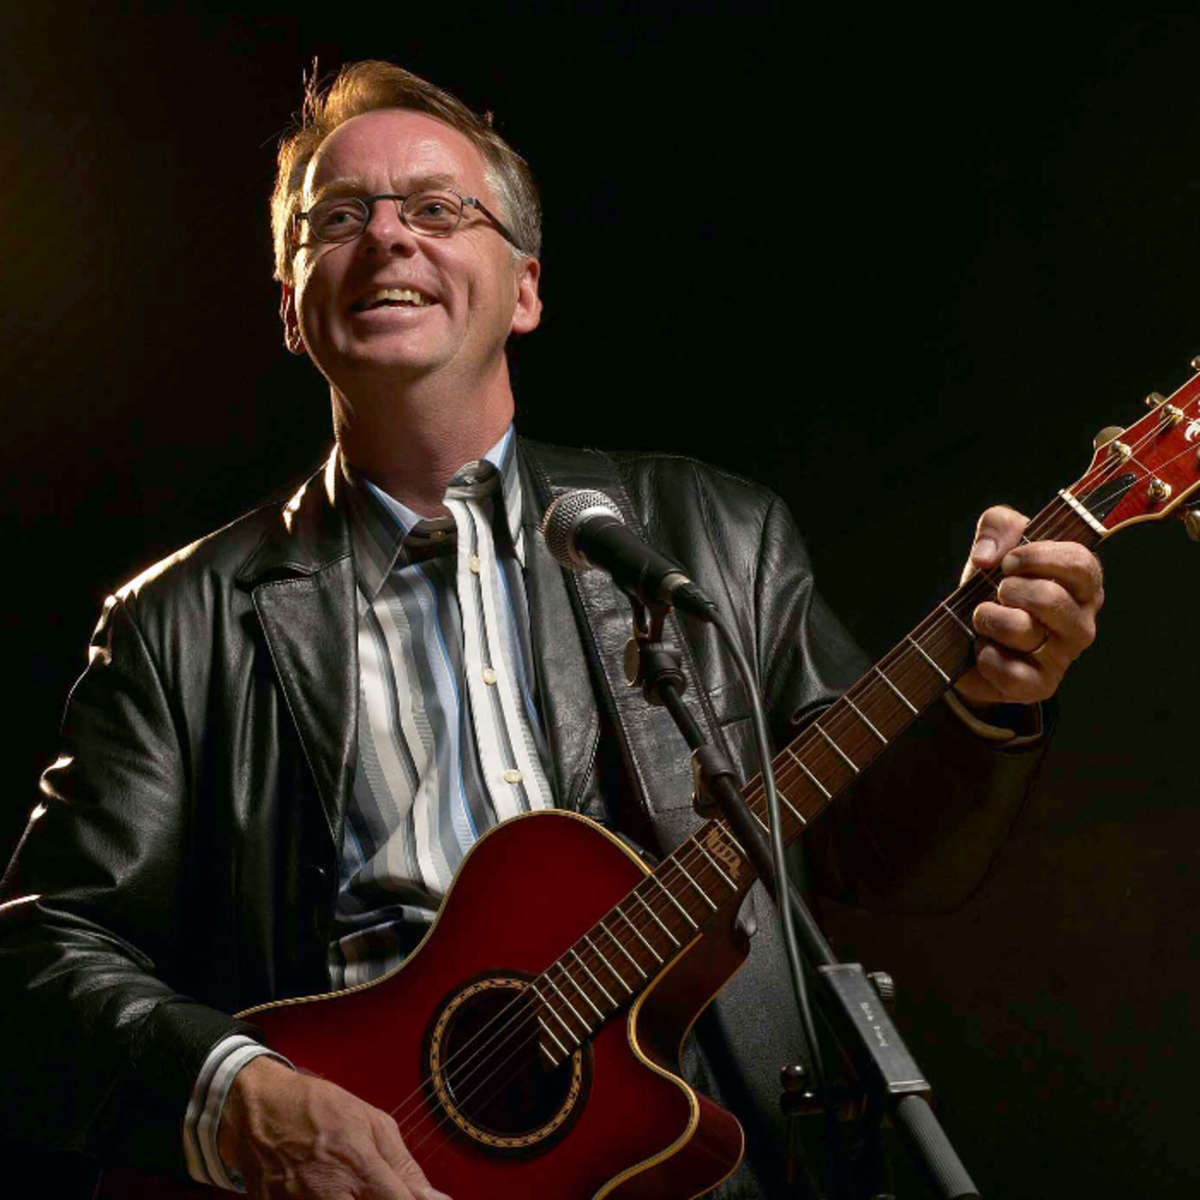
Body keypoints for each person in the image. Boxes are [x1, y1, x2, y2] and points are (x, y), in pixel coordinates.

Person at [0, 62, 1104, 1200]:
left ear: (524, 290)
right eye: (338, 218)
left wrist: (990, 700)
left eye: (437, 209)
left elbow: (879, 851)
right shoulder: (177, 625)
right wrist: (240, 1098)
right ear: (291, 305)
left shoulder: (716, 536)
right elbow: (36, 958)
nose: (389, 237)